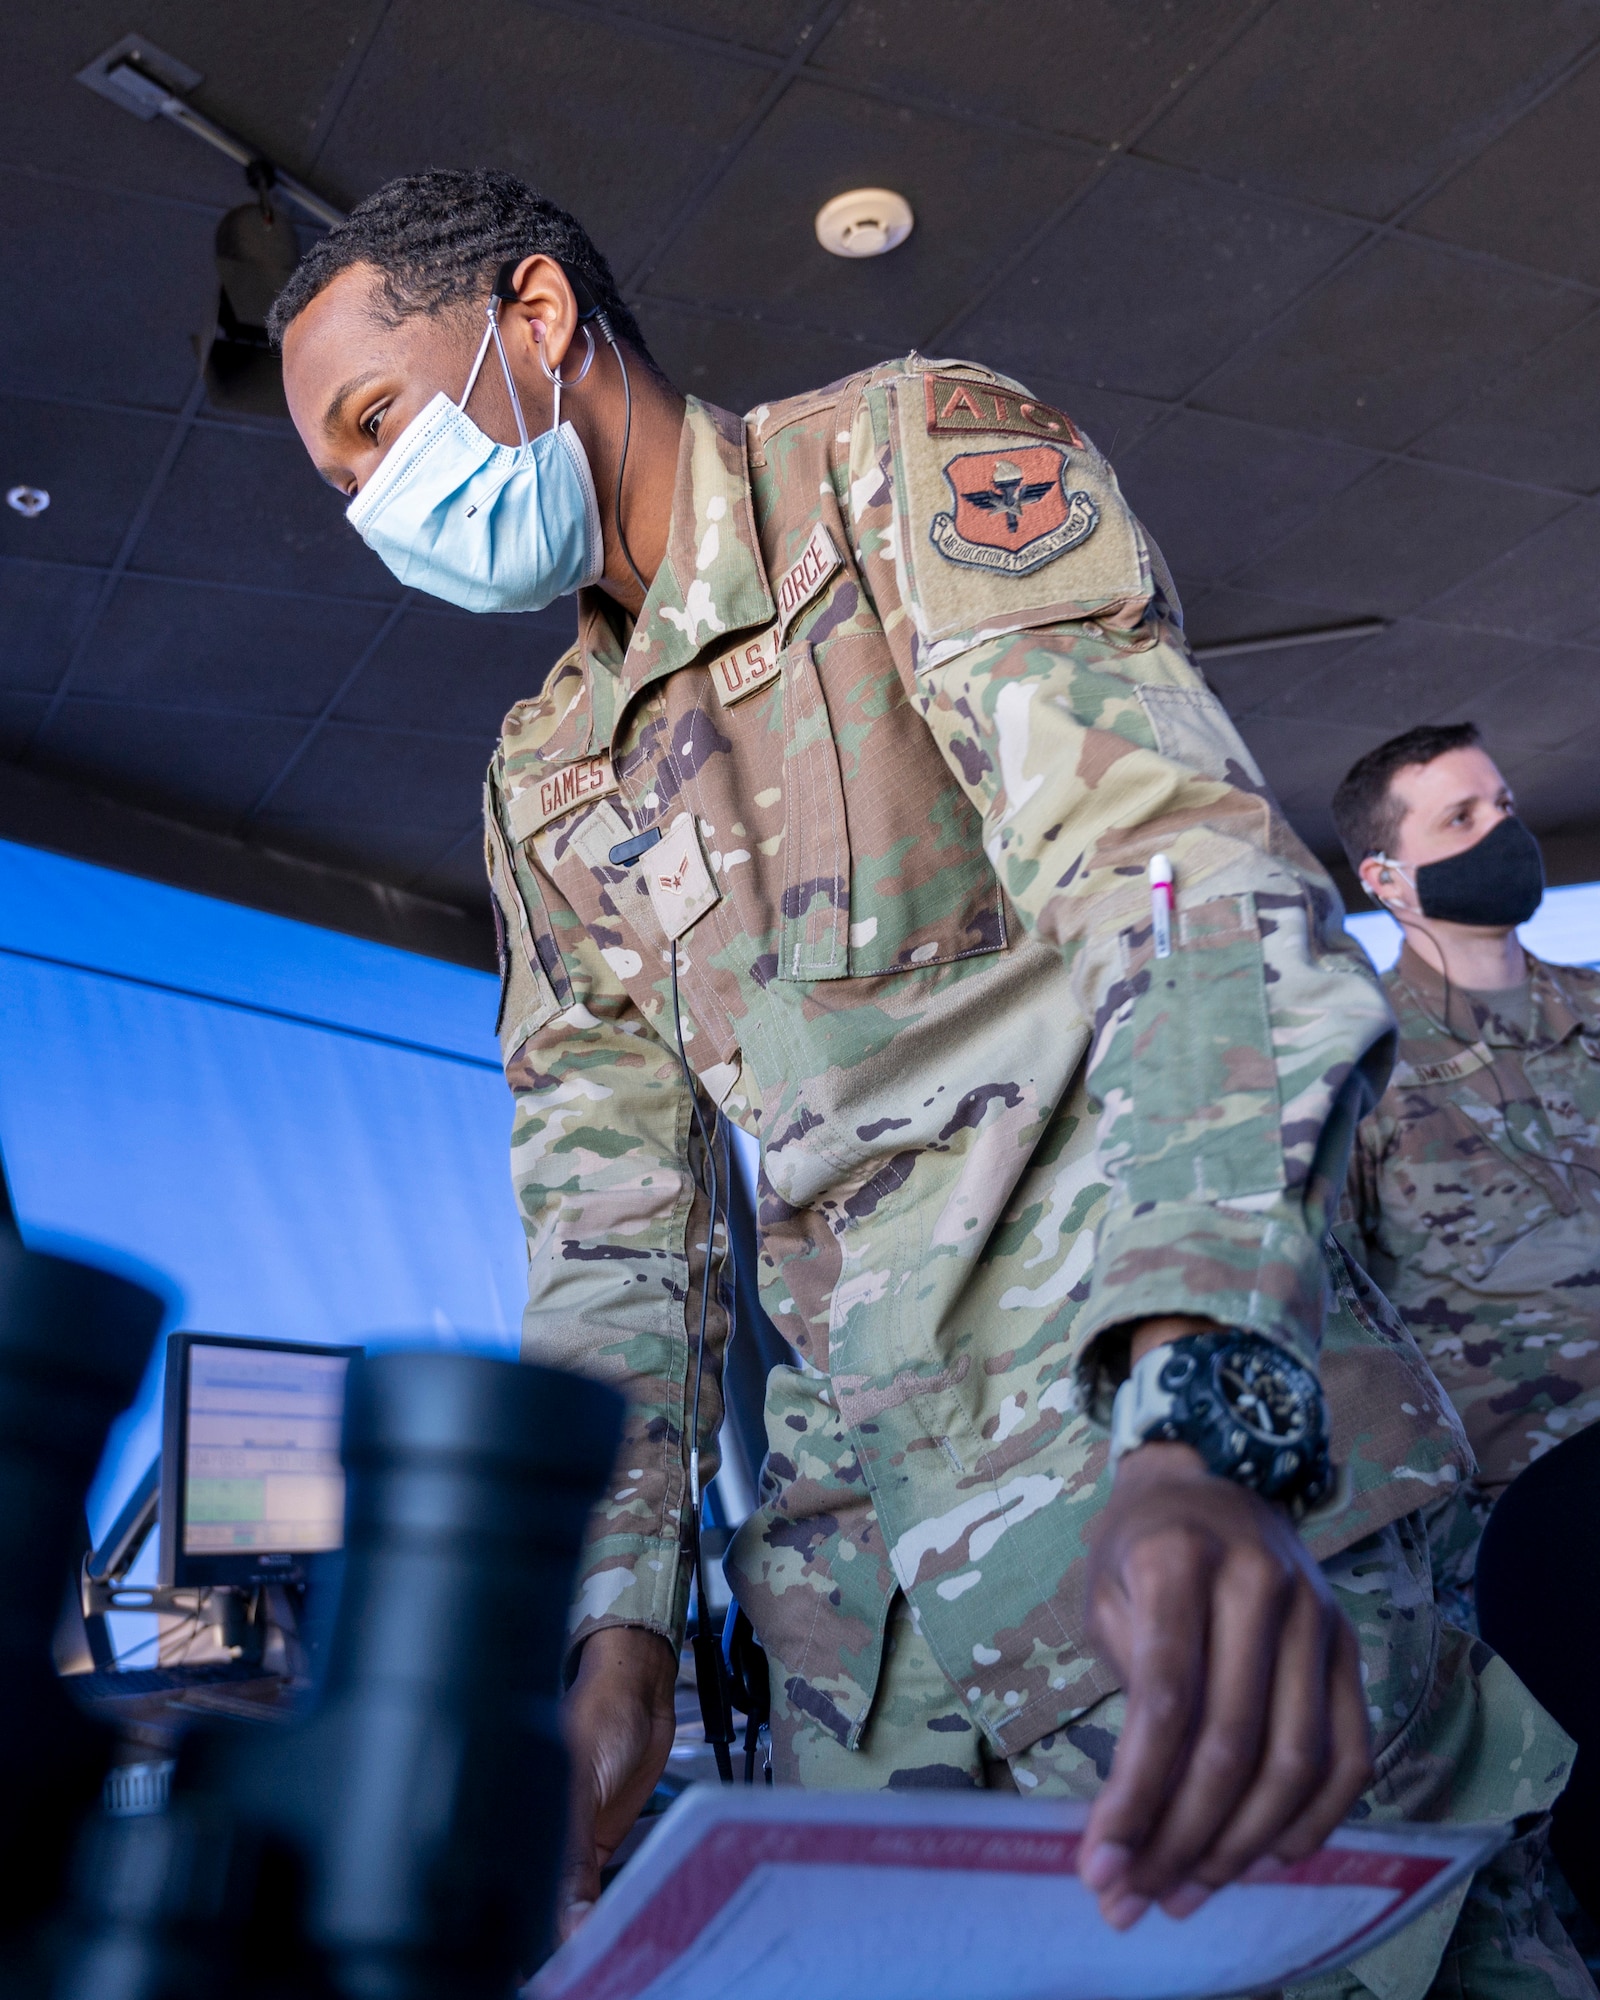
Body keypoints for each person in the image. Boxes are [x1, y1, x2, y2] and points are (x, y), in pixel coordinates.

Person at [269, 170, 1588, 2000]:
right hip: (870, 1631)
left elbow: (1183, 901)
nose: (375, 508)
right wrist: (617, 1625)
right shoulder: (542, 779)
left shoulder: (902, 474)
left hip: (1179, 1522)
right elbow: (613, 1236)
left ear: (540, 321)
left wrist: (1199, 1412)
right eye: (340, 485)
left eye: (376, 423)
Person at [1332, 724, 1600, 1627]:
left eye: (1504, 807)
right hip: (1508, 1523)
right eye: (1460, 818)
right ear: (1385, 880)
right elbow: (1337, 1320)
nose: (1501, 832)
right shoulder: (1356, 1064)